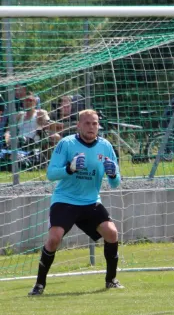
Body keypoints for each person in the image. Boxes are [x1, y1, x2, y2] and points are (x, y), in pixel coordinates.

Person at [28, 109, 124, 296]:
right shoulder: (67, 144)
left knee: (112, 233)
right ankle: (39, 285)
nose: (91, 127)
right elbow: (51, 174)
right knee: (54, 238)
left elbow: (115, 183)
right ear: (78, 125)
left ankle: (111, 280)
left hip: (90, 202)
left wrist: (113, 174)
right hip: (65, 200)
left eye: (94, 123)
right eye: (87, 123)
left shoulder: (105, 146)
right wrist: (69, 168)